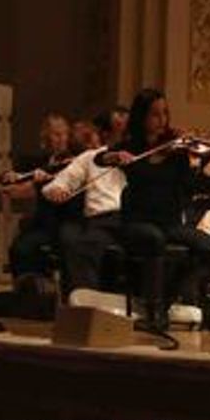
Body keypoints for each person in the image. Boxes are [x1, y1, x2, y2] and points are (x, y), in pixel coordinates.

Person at [96, 89, 210, 325]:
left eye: (165, 113)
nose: (162, 120)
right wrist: (113, 158)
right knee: (154, 238)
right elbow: (99, 158)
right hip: (137, 221)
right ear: (142, 117)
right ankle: (154, 312)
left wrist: (209, 162)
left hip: (170, 223)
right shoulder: (131, 148)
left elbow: (190, 188)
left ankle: (167, 297)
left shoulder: (177, 151)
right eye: (155, 114)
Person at [43, 110, 127, 292]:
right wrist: (57, 189)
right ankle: (86, 306)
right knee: (78, 243)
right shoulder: (90, 157)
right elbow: (57, 184)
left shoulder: (146, 157)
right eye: (121, 129)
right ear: (106, 134)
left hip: (131, 218)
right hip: (101, 220)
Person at [2, 112, 81, 286]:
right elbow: (12, 188)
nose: (61, 139)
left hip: (66, 222)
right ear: (45, 137)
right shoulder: (39, 161)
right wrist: (12, 178)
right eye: (56, 134)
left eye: (64, 134)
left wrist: (38, 185)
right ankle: (26, 291)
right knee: (18, 249)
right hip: (44, 223)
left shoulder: (74, 161)